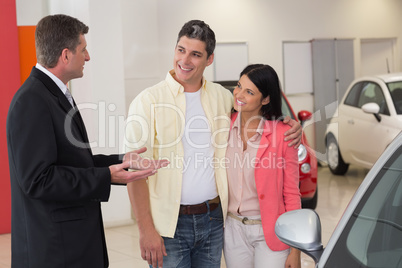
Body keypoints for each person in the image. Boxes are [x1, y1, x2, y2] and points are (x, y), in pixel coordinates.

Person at [124, 20, 302, 268]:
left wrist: (290, 124)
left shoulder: (222, 97)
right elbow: (134, 172)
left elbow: (257, 115)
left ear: (209, 59)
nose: (185, 60)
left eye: (195, 54)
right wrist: (146, 229)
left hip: (215, 222)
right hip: (169, 226)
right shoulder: (147, 101)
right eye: (181, 50)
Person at [6, 14, 168, 268]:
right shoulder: (32, 101)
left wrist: (121, 161)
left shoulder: (52, 93)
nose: (88, 57)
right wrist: (106, 176)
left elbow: (70, 161)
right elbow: (38, 180)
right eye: (84, 49)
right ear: (66, 55)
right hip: (55, 249)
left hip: (69, 242)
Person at [223, 64, 301, 268]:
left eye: (249, 92)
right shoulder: (223, 126)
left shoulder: (284, 134)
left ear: (265, 99)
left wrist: (296, 250)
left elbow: (292, 194)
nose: (239, 94)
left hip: (271, 232)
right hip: (232, 230)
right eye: (239, 86)